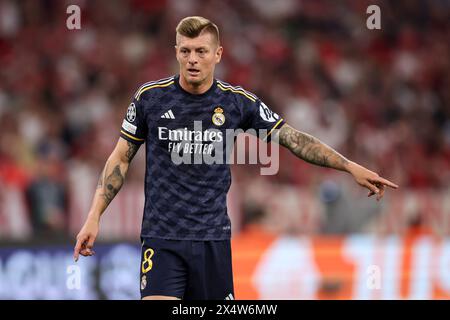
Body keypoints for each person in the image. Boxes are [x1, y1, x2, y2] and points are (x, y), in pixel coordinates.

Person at [73, 16, 399, 300]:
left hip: (213, 240)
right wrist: (94, 216)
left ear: (218, 54)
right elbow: (120, 157)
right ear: (176, 53)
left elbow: (293, 139)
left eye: (201, 51)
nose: (192, 59)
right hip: (162, 239)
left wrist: (348, 166)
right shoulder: (150, 98)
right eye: (185, 51)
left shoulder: (236, 103)